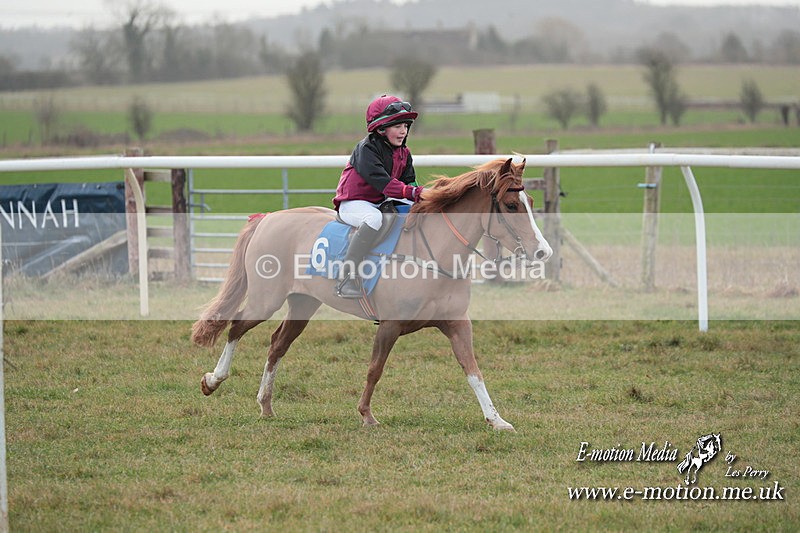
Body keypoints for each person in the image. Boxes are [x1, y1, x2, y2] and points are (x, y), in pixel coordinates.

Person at [333, 94, 425, 298]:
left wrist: (422, 197)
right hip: (354, 202)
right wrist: (413, 192)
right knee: (374, 219)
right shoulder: (366, 149)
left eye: (406, 126)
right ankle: (346, 277)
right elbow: (384, 183)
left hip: (381, 201)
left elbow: (409, 182)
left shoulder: (404, 153)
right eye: (397, 126)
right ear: (381, 129)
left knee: (418, 210)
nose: (403, 131)